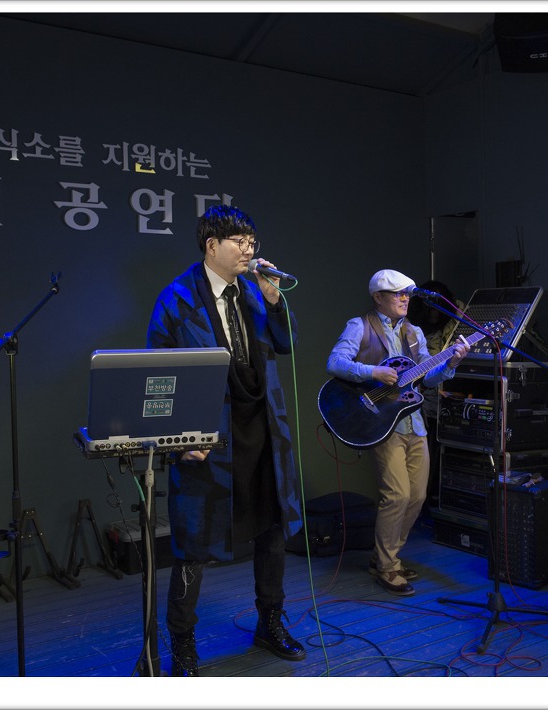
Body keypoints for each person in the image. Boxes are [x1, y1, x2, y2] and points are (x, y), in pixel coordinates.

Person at [146, 204, 305, 676]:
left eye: (252, 242)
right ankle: (183, 644)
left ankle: (270, 621)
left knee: (272, 531)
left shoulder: (255, 291)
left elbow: (286, 344)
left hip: (262, 430)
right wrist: (176, 440)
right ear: (211, 245)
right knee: (193, 544)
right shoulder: (176, 298)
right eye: (240, 242)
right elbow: (158, 377)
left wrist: (274, 300)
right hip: (208, 437)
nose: (249, 250)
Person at [326, 269, 469, 595]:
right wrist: (373, 372)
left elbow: (428, 377)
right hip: (381, 422)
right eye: (397, 293)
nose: (405, 299)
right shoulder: (359, 326)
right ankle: (388, 566)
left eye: (407, 293)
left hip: (413, 421)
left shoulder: (414, 332)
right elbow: (335, 363)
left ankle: (384, 556)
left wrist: (451, 364)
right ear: (378, 297)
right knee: (397, 495)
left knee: (417, 496)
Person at [405, 280, 463, 516]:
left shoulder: (452, 319)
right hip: (421, 401)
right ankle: (425, 507)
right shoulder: (413, 328)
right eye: (429, 307)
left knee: (438, 454)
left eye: (436, 306)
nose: (433, 312)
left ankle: (435, 502)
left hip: (444, 390)